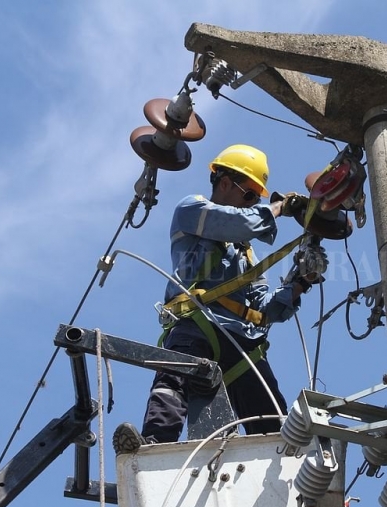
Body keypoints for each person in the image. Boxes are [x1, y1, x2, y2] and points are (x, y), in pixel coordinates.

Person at [113, 144, 322, 453]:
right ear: (225, 183)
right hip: (197, 323)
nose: (252, 204)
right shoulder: (192, 210)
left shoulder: (245, 255)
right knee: (174, 379)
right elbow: (241, 224)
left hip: (239, 339)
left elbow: (264, 309)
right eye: (250, 195)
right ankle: (153, 446)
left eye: (255, 199)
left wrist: (301, 282)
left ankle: (283, 462)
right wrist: (278, 208)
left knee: (271, 417)